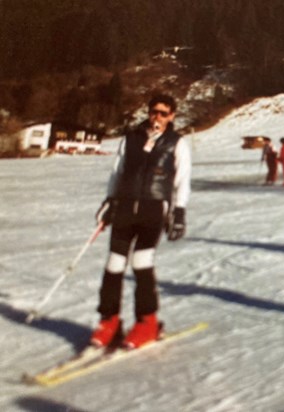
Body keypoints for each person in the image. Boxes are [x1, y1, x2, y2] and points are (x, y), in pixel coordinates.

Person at [92, 94, 191, 349]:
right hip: (125, 206)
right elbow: (118, 171)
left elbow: (182, 180)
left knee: (141, 261)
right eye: (153, 112)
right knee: (114, 263)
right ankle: (109, 321)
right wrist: (109, 202)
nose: (157, 117)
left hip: (153, 209)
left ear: (172, 116)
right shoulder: (132, 138)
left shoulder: (176, 143)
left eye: (163, 113)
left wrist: (178, 212)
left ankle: (147, 321)